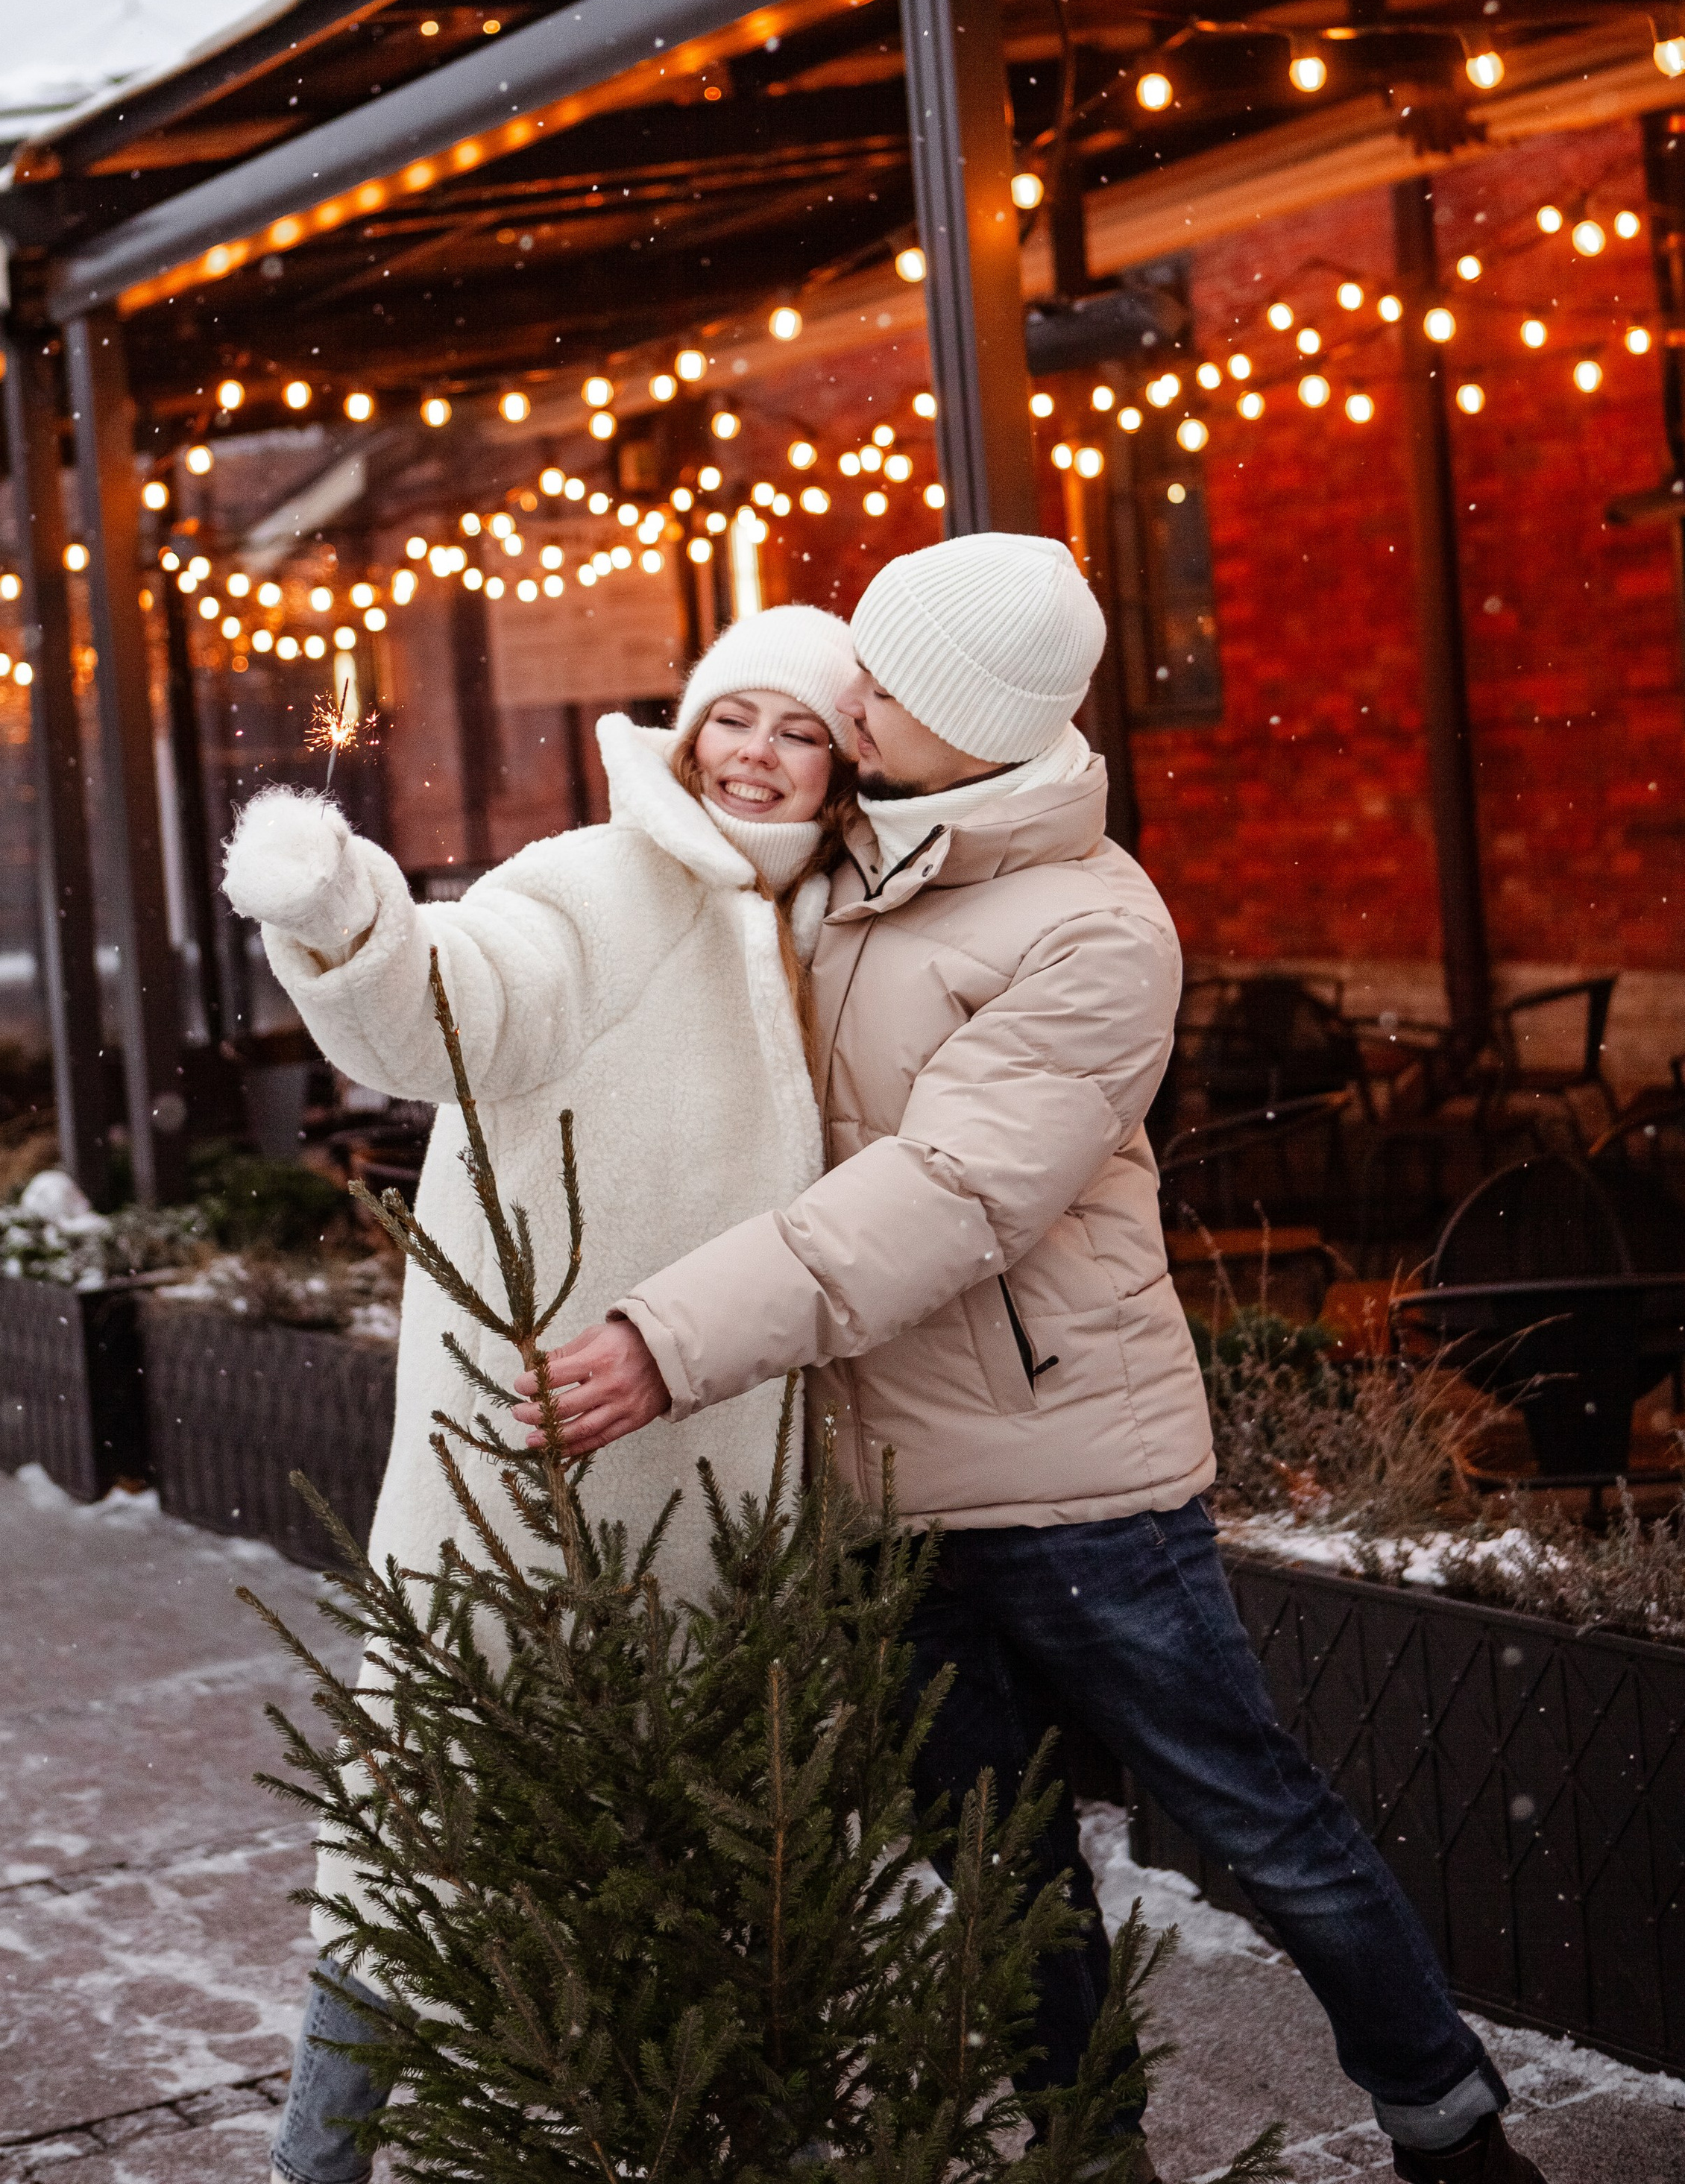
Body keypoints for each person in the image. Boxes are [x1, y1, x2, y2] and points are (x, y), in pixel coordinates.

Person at [518, 532, 1542, 2184]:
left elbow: (949, 1195)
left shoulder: (1092, 929)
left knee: (1258, 1825)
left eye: (883, 679)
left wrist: (671, 1338)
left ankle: (1451, 2131)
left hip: (1071, 1479)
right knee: (999, 1869)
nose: (849, 692)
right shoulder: (852, 860)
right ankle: (1088, 2151)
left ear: (970, 721)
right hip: (877, 1477)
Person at [219, 607, 857, 2184]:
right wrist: (349, 920)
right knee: (424, 1838)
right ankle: (318, 2161)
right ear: (688, 728)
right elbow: (460, 1001)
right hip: (535, 1471)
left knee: (722, 1867)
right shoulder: (600, 881)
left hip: (736, 1491)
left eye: (799, 732)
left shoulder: (842, 919)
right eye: (734, 717)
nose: (756, 757)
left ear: (843, 768)